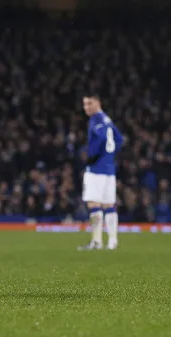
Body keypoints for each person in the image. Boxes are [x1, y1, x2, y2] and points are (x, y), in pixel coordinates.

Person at [78, 94, 123, 251]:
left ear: (98, 102)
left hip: (96, 169)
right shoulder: (107, 119)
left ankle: (96, 241)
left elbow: (101, 138)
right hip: (109, 169)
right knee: (109, 205)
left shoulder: (96, 120)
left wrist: (92, 156)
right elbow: (119, 139)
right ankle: (112, 241)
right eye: (84, 104)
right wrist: (109, 157)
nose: (86, 107)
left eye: (89, 103)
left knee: (93, 204)